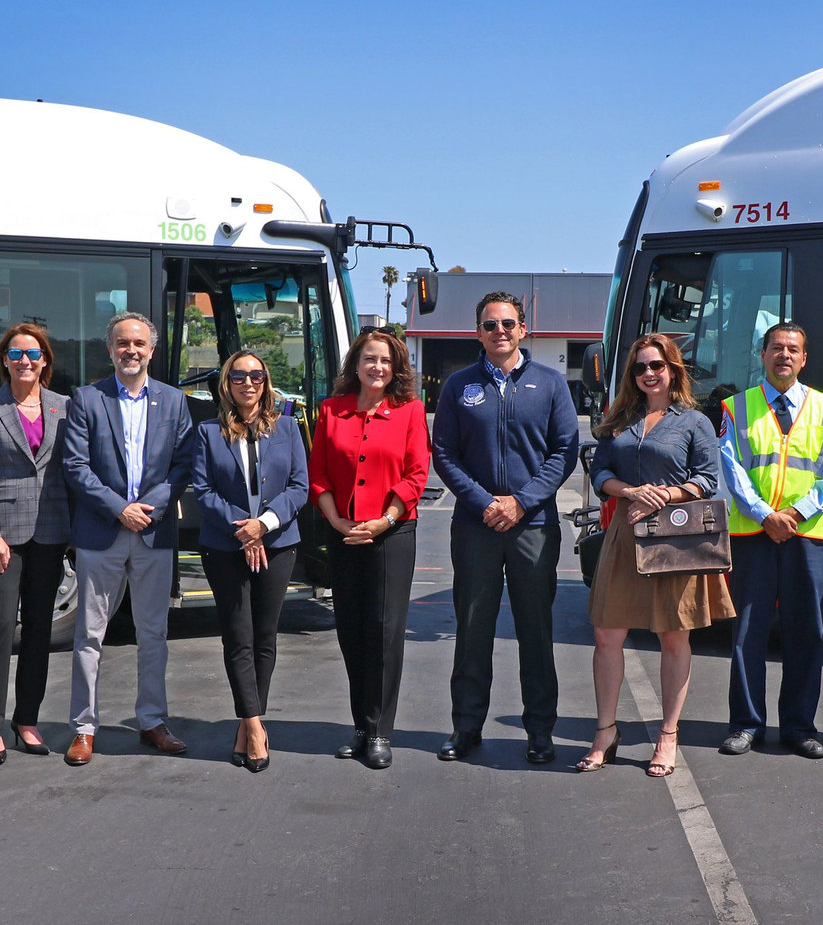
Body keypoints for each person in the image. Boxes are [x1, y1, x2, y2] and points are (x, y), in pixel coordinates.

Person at [431, 291, 579, 765]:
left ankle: (539, 731)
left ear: (523, 330)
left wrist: (521, 502)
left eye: (508, 324)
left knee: (535, 632)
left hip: (533, 526)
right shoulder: (458, 386)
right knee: (473, 631)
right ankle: (466, 728)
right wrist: (482, 502)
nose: (500, 332)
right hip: (475, 527)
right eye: (490, 325)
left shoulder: (551, 384)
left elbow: (564, 452)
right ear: (478, 332)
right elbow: (445, 455)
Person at [579, 335, 735, 776]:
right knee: (607, 635)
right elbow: (600, 471)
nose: (648, 374)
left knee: (673, 637)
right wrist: (629, 491)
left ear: (673, 370)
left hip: (674, 539)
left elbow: (707, 478)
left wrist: (666, 493)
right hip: (625, 535)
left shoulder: (694, 422)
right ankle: (605, 732)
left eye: (657, 366)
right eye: (640, 368)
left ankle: (668, 734)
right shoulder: (620, 419)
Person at [61, 311, 196, 766]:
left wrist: (149, 508)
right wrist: (120, 508)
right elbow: (76, 466)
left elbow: (183, 466)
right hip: (102, 533)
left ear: (152, 350)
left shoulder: (174, 402)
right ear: (111, 350)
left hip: (154, 534)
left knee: (153, 633)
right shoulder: (86, 398)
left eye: (139, 343)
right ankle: (83, 728)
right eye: (123, 343)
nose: (131, 351)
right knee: (89, 635)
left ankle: (152, 721)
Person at [717, 323, 823, 760]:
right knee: (747, 633)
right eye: (776, 348)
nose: (784, 356)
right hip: (754, 533)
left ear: (804, 359)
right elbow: (731, 468)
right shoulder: (737, 407)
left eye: (792, 349)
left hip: (805, 535)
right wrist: (764, 514)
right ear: (763, 354)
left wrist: (793, 513)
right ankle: (746, 725)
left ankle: (798, 727)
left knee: (805, 633)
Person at [309, 329, 429, 770]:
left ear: (396, 368)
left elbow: (417, 474)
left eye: (385, 360)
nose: (377, 367)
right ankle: (360, 725)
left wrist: (384, 520)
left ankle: (380, 730)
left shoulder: (410, 412)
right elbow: (318, 473)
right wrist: (338, 521)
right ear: (355, 365)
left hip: (391, 534)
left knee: (383, 632)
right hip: (344, 533)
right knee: (350, 630)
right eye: (369, 359)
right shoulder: (332, 411)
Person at [193, 350, 310, 772]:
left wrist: (263, 525)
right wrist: (242, 530)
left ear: (266, 381)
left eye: (256, 375)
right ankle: (256, 726)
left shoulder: (288, 428)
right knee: (237, 636)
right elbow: (203, 490)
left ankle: (247, 722)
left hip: (278, 543)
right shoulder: (208, 431)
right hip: (224, 547)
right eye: (239, 375)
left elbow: (300, 487)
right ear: (227, 383)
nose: (248, 382)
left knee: (265, 636)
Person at [0, 323, 70, 764]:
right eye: (15, 354)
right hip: (4, 535)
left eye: (33, 353)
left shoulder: (65, 406)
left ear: (45, 359)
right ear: (4, 360)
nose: (24, 360)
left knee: (40, 631)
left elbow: (73, 471)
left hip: (51, 531)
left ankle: (26, 720)